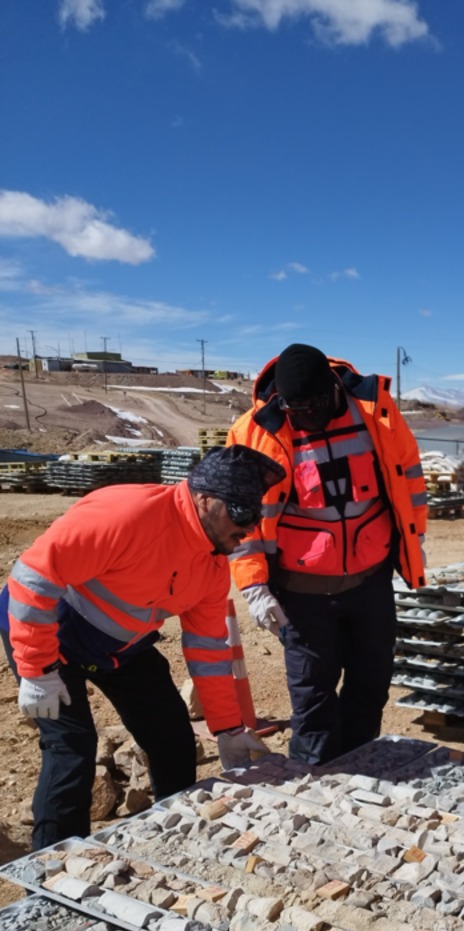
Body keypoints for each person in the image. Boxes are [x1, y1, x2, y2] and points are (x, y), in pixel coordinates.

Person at [1, 446, 282, 850]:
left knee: (173, 739)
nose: (248, 529)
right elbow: (33, 579)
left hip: (120, 649)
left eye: (255, 517)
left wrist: (228, 729)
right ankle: (54, 864)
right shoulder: (129, 515)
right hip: (50, 637)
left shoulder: (212, 564)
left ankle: (174, 836)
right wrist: (36, 670)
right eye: (241, 514)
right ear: (205, 499)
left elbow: (207, 650)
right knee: (72, 749)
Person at [226, 343, 427, 765]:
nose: (305, 416)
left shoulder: (374, 412)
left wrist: (416, 538)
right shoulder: (255, 431)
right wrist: (254, 586)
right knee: (312, 697)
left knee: (370, 684)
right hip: (301, 592)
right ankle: (313, 777)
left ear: (333, 388)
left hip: (370, 582)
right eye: (294, 408)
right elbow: (242, 518)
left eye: (313, 406)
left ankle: (359, 767)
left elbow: (409, 476)